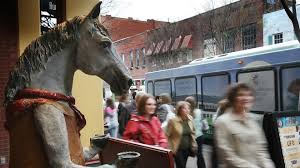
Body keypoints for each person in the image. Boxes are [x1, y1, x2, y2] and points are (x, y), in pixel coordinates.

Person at [214, 83, 275, 168]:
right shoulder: (222, 122)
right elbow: (228, 157)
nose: (246, 98)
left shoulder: (253, 121)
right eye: (240, 95)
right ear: (233, 98)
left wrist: (268, 165)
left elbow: (261, 150)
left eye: (249, 95)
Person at [166, 101, 197, 168]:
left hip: (187, 148)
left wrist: (193, 143)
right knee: (181, 166)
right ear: (179, 109)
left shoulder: (190, 118)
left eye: (188, 108)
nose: (187, 110)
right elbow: (167, 135)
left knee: (183, 165)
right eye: (184, 108)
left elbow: (193, 132)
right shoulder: (173, 121)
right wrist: (168, 147)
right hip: (177, 149)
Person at [185, 96, 207, 168]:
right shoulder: (199, 111)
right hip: (199, 136)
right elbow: (204, 124)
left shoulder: (185, 113)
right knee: (200, 155)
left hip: (189, 137)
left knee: (185, 155)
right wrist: (204, 129)